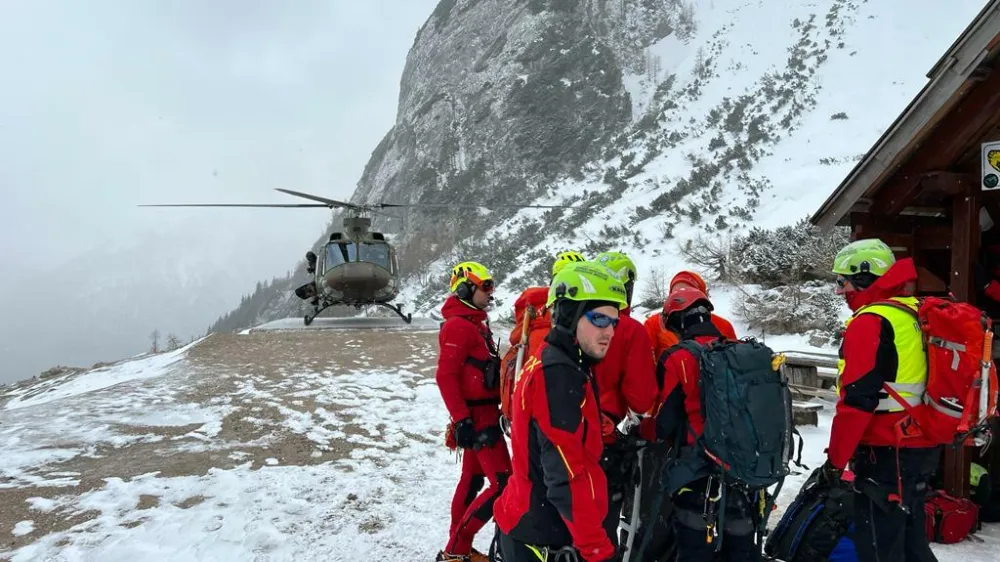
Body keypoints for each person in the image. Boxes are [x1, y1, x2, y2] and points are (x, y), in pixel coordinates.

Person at [494, 261, 628, 562]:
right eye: (598, 319)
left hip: (540, 525)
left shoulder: (562, 361)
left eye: (614, 322)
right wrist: (597, 548)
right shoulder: (558, 374)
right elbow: (565, 475)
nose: (609, 332)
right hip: (543, 536)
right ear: (569, 316)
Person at [820, 238, 939, 562]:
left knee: (879, 547)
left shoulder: (870, 321)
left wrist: (835, 461)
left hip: (886, 452)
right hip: (919, 446)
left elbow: (857, 402)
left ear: (863, 276)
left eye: (842, 281)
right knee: (912, 542)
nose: (840, 290)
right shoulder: (913, 311)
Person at [646, 286, 759, 562]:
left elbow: (664, 425)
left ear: (676, 322)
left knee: (695, 549)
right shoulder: (743, 352)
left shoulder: (678, 358)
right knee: (741, 551)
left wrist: (638, 431)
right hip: (745, 474)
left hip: (697, 475)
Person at [435, 261, 511, 562]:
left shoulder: (475, 324)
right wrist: (462, 419)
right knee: (503, 483)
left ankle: (457, 545)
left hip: (485, 414)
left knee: (472, 480)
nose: (490, 293)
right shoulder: (458, 326)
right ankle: (456, 549)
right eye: (485, 287)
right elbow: (445, 376)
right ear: (466, 288)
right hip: (478, 418)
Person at [591, 251, 657, 546]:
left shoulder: (576, 322)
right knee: (603, 520)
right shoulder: (629, 330)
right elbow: (642, 399)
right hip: (605, 439)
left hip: (565, 436)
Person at [643, 271, 737, 361]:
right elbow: (646, 362)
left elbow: (734, 361)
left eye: (690, 293)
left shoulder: (723, 326)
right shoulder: (654, 324)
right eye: (676, 294)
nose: (683, 298)